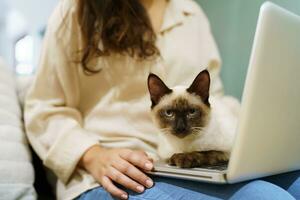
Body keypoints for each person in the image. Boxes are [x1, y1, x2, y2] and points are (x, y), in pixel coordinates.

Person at [24, 0, 300, 199]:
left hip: (192, 163)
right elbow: (44, 108)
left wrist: (251, 136)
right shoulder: (76, 10)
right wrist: (93, 156)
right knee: (263, 196)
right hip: (112, 170)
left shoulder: (192, 14)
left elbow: (211, 97)